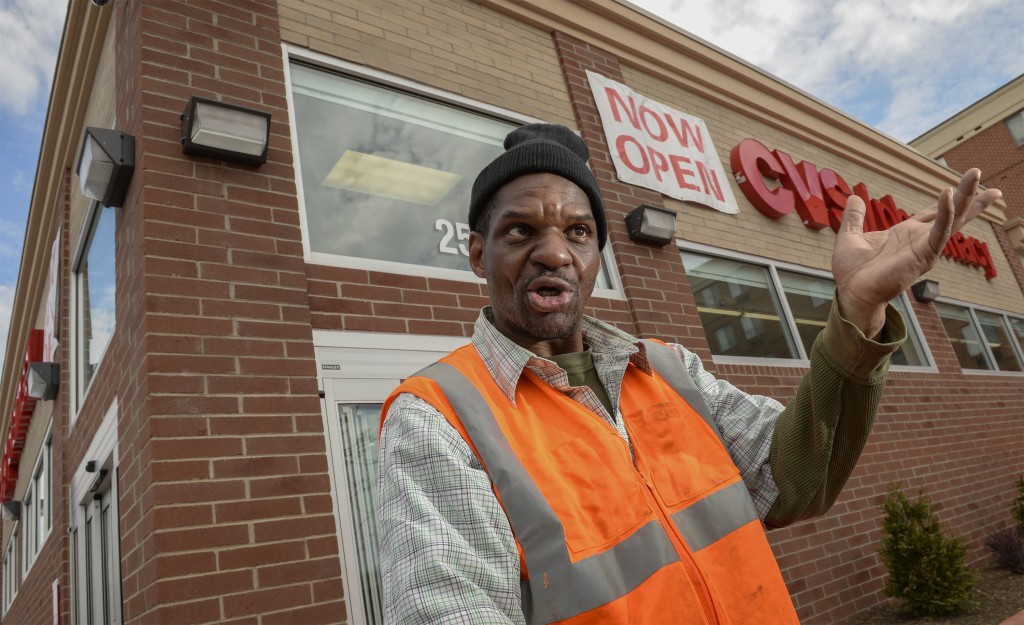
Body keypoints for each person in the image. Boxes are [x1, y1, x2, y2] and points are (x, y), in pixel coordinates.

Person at [376, 123, 1001, 624]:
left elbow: (795, 481)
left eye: (578, 231)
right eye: (520, 230)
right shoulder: (439, 415)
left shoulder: (671, 370)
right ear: (480, 252)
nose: (555, 252)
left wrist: (858, 310)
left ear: (598, 255)